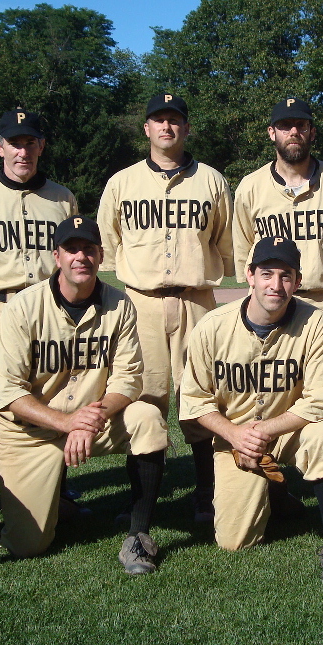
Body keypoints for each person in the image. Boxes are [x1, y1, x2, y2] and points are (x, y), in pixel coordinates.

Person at [0, 216, 169, 573]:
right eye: (72, 249)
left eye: (89, 249)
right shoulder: (23, 307)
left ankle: (138, 535)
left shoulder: (120, 304)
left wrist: (90, 420)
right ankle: (55, 503)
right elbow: (8, 392)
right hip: (30, 431)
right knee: (27, 545)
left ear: (101, 255)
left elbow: (129, 379)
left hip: (93, 421)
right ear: (57, 257)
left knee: (147, 418)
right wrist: (67, 422)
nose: (81, 257)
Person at [179, 236, 323, 580]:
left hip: (292, 430)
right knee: (235, 541)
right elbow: (195, 400)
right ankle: (275, 493)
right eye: (267, 274)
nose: (276, 285)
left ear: (298, 281)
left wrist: (260, 433)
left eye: (286, 276)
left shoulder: (315, 321)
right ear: (249, 275)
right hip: (235, 437)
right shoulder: (213, 326)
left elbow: (321, 400)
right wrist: (234, 435)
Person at [97, 92, 233, 523]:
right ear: (146, 129)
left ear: (187, 128)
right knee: (143, 400)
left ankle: (207, 495)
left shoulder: (211, 180)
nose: (167, 127)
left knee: (202, 398)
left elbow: (222, 241)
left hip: (197, 301)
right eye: (159, 120)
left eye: (175, 120)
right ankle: (143, 504)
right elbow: (109, 242)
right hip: (140, 302)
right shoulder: (122, 182)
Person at [0, 108, 78, 546]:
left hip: (49, 309)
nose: (23, 150)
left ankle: (57, 492)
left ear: (41, 146)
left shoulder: (62, 198)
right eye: (15, 142)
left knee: (55, 397)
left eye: (31, 142)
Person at [233, 97, 323, 381]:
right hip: (270, 302)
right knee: (272, 387)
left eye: (300, 125)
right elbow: (244, 247)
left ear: (311, 132)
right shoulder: (250, 186)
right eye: (285, 125)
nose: (293, 132)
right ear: (272, 132)